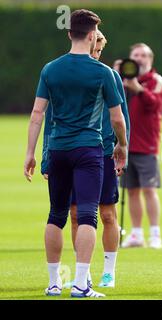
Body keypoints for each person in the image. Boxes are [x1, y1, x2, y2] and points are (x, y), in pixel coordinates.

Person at [24, 9, 128, 298]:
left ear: (69, 33)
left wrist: (31, 153)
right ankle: (82, 284)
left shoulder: (50, 69)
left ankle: (54, 282)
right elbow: (118, 119)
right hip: (88, 150)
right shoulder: (103, 72)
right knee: (86, 216)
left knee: (56, 215)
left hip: (57, 149)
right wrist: (122, 145)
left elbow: (37, 114)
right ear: (93, 35)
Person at [118, 43, 162, 249]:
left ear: (150, 59)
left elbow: (155, 104)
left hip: (146, 144)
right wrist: (116, 75)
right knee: (131, 191)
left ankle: (155, 234)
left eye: (143, 55)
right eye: (135, 55)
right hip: (125, 144)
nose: (139, 58)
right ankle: (136, 234)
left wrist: (138, 89)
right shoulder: (123, 79)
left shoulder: (155, 80)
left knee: (149, 189)